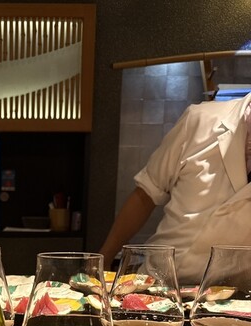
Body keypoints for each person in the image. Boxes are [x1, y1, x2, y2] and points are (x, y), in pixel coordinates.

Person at [100, 91, 251, 284]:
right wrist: (104, 261)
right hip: (160, 283)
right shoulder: (200, 120)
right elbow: (146, 194)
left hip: (235, 293)